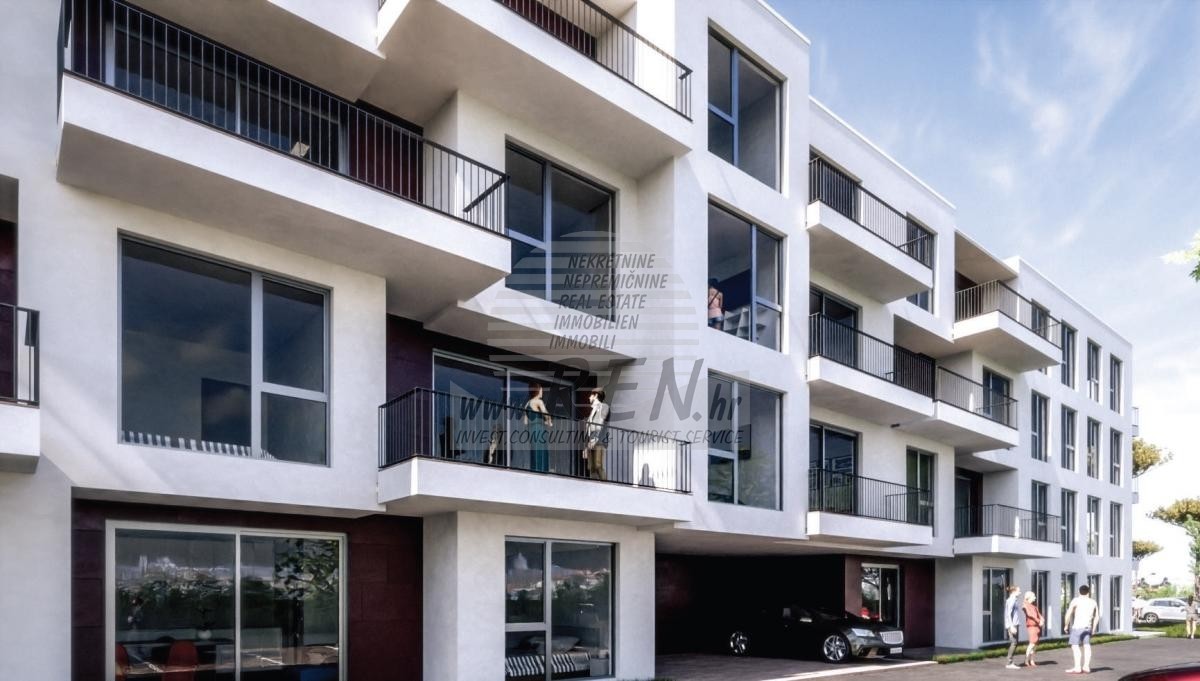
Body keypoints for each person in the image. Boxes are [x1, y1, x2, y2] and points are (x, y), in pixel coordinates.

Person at [1063, 584, 1101, 674]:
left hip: (1077, 627)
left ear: (1079, 592)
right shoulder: (1093, 602)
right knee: (1087, 646)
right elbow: (1097, 616)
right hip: (1087, 627)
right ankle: (1086, 667)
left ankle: (1077, 667)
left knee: (1075, 646)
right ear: (1088, 592)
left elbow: (1068, 613)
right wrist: (1094, 628)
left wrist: (1066, 625)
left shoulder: (1076, 600)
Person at [523, 384, 552, 472]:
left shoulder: (527, 404)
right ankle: (542, 471)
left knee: (534, 452)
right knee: (541, 452)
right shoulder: (539, 401)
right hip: (539, 429)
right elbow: (545, 414)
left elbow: (525, 422)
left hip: (531, 431)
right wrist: (549, 421)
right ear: (537, 391)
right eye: (541, 390)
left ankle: (535, 470)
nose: (542, 392)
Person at [583, 388, 610, 481]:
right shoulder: (592, 411)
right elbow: (588, 428)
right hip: (590, 442)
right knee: (591, 468)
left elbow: (601, 422)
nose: (589, 397)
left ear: (596, 395)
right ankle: (594, 488)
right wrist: (586, 446)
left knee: (598, 466)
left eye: (591, 395)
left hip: (599, 440)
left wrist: (596, 438)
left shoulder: (604, 406)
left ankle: (606, 486)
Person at [1023, 591, 1045, 667]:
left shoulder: (1034, 606)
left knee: (1035, 644)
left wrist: (1042, 619)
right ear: (1029, 597)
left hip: (1037, 626)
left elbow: (1039, 614)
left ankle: (1032, 660)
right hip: (1032, 626)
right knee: (1032, 643)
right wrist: (1039, 621)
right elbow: (1031, 615)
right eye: (1034, 596)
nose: (1035, 598)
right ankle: (1026, 660)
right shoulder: (1025, 605)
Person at [1004, 585, 1022, 670]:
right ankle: (1009, 663)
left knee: (1015, 643)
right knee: (1014, 642)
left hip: (1015, 624)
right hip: (1012, 625)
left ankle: (1010, 662)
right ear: (1014, 591)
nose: (1020, 592)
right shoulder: (1011, 600)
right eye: (1019, 591)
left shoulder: (1014, 600)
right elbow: (1008, 614)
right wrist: (1011, 626)